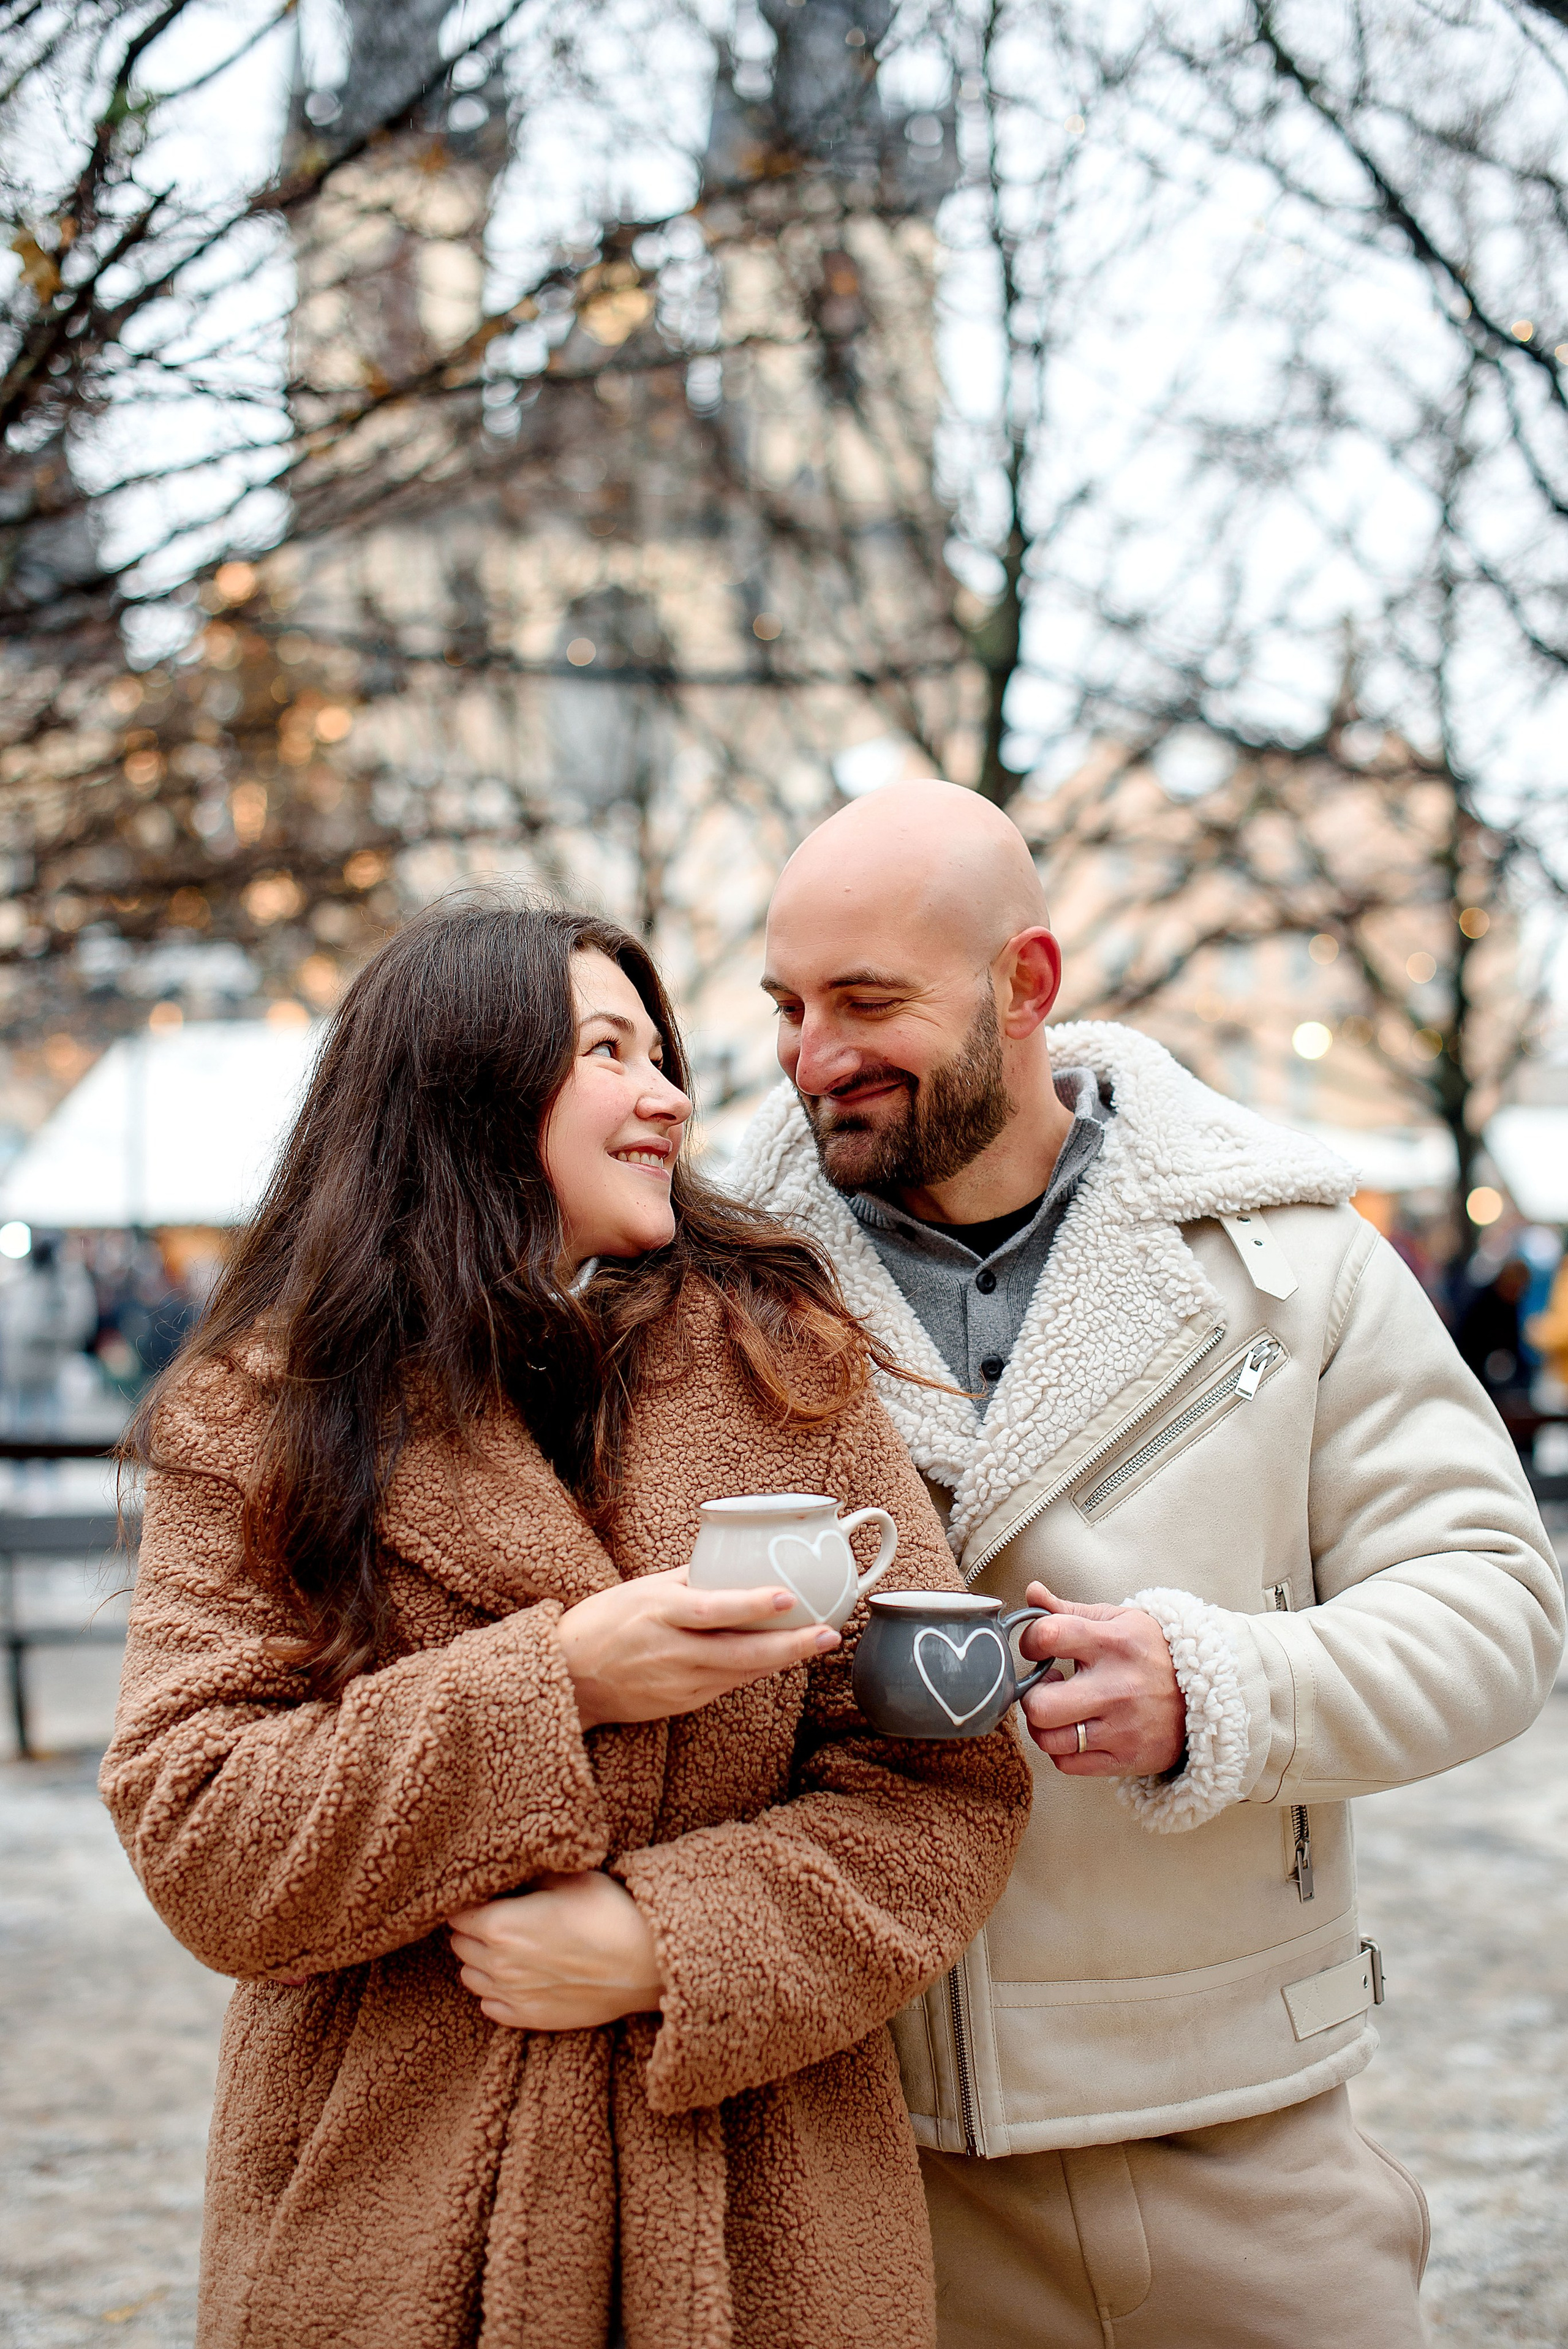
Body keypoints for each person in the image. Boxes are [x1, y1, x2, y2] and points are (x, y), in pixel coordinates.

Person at [101, 898, 1030, 2349]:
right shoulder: (259, 1413)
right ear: (465, 1085)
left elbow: (944, 1780)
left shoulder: (789, 1371)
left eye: (662, 1054)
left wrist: (671, 1941)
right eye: (609, 1051)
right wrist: (555, 1686)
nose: (668, 1094)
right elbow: (198, 1828)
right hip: (388, 2215)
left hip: (755, 2222)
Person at [729, 779, 1565, 2349]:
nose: (809, 1056)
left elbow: (1493, 1605)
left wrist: (1218, 1681)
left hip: (1242, 2138)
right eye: (784, 1004)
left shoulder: (1292, 1252)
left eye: (866, 1000)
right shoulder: (701, 1281)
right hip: (846, 2157)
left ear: (1025, 984)